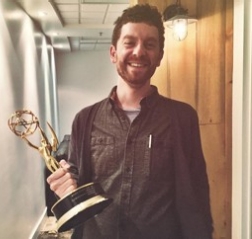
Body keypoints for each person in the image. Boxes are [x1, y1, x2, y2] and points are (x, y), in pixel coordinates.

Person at [47, 4, 213, 239]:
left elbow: (196, 194)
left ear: (159, 56)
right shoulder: (85, 119)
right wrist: (65, 184)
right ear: (113, 53)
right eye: (130, 42)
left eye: (149, 44)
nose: (139, 51)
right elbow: (77, 180)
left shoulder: (182, 118)